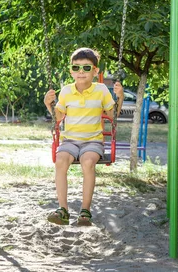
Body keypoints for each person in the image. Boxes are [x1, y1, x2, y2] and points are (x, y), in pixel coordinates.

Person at [43, 47, 124, 226]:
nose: (81, 72)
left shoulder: (101, 90)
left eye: (86, 68)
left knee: (88, 162)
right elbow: (58, 118)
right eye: (76, 68)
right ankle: (63, 210)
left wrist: (120, 97)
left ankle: (85, 211)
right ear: (71, 71)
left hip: (92, 141)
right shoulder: (65, 91)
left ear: (95, 71)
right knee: (60, 161)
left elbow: (113, 116)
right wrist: (49, 105)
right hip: (70, 140)